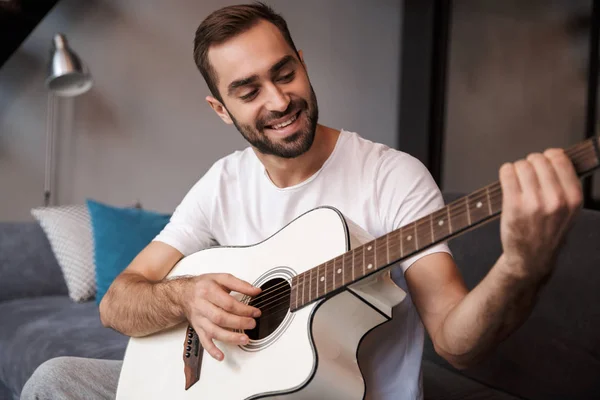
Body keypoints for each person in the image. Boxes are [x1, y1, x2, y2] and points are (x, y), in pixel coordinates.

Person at [21, 2, 583, 400]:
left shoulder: (392, 177)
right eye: (248, 90)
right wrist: (186, 297)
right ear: (221, 109)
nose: (279, 99)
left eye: (284, 72)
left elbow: (456, 343)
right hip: (230, 383)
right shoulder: (222, 183)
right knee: (56, 380)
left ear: (302, 63)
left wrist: (521, 266)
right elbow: (117, 302)